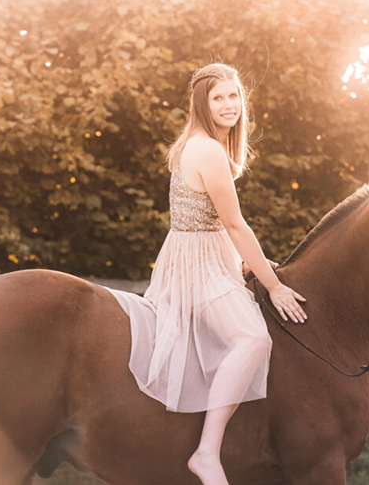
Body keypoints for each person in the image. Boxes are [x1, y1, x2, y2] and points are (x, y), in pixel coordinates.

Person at [102, 62, 307, 485]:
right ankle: (207, 454)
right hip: (198, 264)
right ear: (203, 103)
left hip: (203, 254)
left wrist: (248, 261)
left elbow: (216, 223)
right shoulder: (209, 150)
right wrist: (275, 285)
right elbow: (233, 223)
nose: (229, 105)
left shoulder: (195, 143)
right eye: (218, 98)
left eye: (234, 96)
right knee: (252, 338)